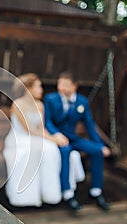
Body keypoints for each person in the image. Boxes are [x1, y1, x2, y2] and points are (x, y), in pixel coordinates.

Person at [3, 73, 85, 207]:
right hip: (21, 138)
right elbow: (29, 130)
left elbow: (41, 128)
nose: (41, 89)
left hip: (37, 137)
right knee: (31, 152)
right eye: (38, 87)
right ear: (28, 89)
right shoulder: (18, 104)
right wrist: (52, 138)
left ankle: (50, 194)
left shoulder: (40, 105)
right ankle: (26, 197)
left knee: (50, 150)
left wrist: (54, 138)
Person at [44, 71, 111, 212]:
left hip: (74, 138)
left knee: (97, 151)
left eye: (65, 85)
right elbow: (48, 122)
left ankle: (96, 191)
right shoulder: (50, 99)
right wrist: (57, 135)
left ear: (74, 86)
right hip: (58, 139)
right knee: (65, 151)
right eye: (59, 84)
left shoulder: (82, 102)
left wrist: (100, 145)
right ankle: (67, 193)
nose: (61, 88)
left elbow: (90, 125)